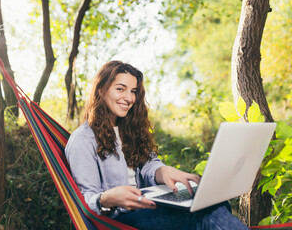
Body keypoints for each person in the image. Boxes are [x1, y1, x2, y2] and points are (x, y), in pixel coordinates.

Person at [65, 61, 248, 229]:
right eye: (120, 89)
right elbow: (85, 200)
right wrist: (107, 198)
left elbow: (148, 164)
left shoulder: (128, 128)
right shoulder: (82, 140)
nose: (128, 98)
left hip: (148, 206)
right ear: (101, 90)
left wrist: (164, 171)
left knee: (212, 202)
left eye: (133, 91)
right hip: (117, 221)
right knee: (205, 213)